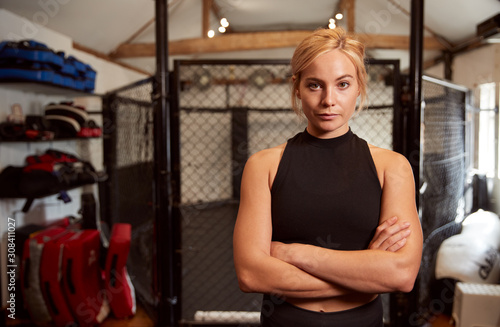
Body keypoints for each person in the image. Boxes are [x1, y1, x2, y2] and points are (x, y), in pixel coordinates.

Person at [233, 27, 423, 327]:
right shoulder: (263, 166)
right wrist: (366, 273)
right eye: (315, 85)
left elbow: (401, 274)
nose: (329, 100)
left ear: (359, 86)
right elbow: (251, 274)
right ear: (297, 87)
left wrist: (294, 253)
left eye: (343, 84)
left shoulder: (393, 167)